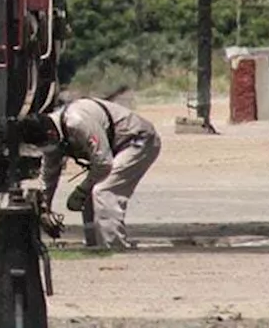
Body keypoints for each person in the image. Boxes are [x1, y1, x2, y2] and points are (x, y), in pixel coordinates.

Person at [17, 95, 162, 250]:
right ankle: (94, 245)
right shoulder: (52, 134)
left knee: (104, 191)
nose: (46, 149)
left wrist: (81, 190)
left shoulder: (78, 122)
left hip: (138, 140)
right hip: (114, 148)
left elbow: (103, 164)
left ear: (51, 134)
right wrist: (45, 208)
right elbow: (49, 174)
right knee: (90, 194)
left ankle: (114, 247)